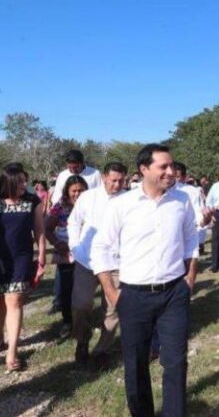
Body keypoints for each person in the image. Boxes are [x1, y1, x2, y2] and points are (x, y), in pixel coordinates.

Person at [91, 144, 198, 417]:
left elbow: (190, 242)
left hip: (174, 292)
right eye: (163, 166)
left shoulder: (182, 201)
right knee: (136, 363)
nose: (171, 171)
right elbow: (101, 248)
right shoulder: (122, 205)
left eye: (172, 165)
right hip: (134, 295)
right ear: (144, 169)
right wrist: (111, 292)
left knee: (175, 362)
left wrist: (189, 279)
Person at [0, 163, 46, 371]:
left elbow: (39, 230)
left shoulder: (32, 201)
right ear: (8, 183)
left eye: (24, 181)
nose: (24, 185)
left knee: (15, 299)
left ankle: (12, 352)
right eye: (20, 182)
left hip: (21, 257)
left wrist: (42, 258)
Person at [68, 162, 127, 366]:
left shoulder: (130, 199)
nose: (117, 185)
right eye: (113, 180)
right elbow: (74, 221)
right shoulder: (88, 197)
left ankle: (103, 348)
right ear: (104, 177)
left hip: (116, 262)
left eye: (121, 180)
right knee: (81, 303)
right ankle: (82, 339)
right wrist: (74, 246)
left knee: (113, 307)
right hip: (88, 259)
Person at [46, 175, 88, 337]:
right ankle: (67, 322)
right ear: (67, 191)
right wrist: (57, 243)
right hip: (66, 254)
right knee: (66, 290)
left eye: (80, 190)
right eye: (74, 191)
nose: (77, 194)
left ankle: (83, 321)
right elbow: (47, 228)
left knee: (84, 291)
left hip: (87, 255)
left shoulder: (92, 205)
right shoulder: (59, 206)